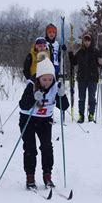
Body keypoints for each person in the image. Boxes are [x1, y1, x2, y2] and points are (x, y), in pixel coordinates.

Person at [18, 58, 69, 189]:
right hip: (28, 119)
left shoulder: (55, 86)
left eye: (50, 79)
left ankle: (47, 176)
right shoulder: (31, 85)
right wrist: (33, 99)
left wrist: (62, 95)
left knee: (46, 147)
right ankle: (30, 177)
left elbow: (64, 107)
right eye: (44, 79)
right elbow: (22, 105)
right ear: (39, 78)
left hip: (45, 121)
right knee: (30, 148)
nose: (47, 82)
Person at [68, 33, 102, 123]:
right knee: (81, 98)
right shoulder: (80, 52)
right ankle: (81, 115)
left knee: (92, 98)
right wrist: (70, 53)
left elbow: (101, 64)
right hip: (81, 78)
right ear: (83, 41)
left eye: (88, 40)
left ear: (91, 41)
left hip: (93, 78)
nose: (87, 42)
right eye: (85, 40)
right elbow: (73, 62)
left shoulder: (96, 52)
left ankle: (91, 115)